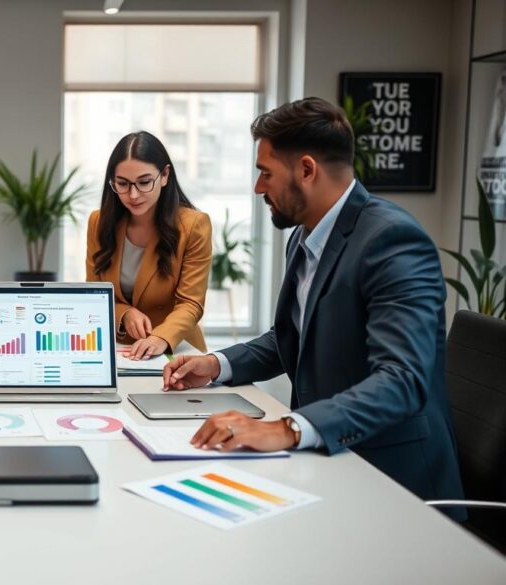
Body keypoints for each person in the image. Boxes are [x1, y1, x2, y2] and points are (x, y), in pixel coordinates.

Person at [163, 98, 465, 510]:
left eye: (266, 173)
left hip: (394, 483)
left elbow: (401, 380)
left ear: (306, 170)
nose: (258, 188)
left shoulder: (392, 240)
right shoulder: (304, 237)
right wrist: (216, 365)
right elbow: (292, 337)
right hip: (328, 462)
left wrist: (287, 429)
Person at [86, 131, 212, 359]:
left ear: (164, 175)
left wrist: (160, 338)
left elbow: (191, 303)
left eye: (144, 182)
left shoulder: (194, 225)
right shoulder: (99, 222)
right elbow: (93, 296)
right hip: (119, 347)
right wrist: (123, 313)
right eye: (122, 184)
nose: (133, 194)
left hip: (175, 348)